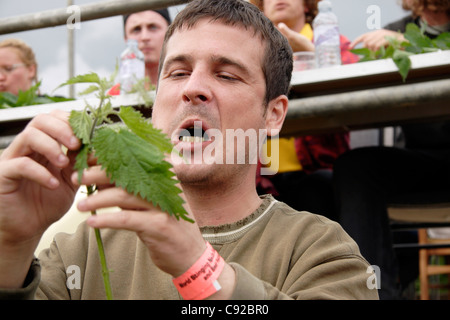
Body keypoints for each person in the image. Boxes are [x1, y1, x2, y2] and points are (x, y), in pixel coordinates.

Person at [0, 0, 378, 300]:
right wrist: (10, 244)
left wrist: (199, 269)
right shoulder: (83, 249)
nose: (192, 88)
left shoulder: (320, 251)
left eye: (226, 74)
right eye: (178, 72)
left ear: (273, 115)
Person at [333, 0, 450, 300]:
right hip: (424, 160)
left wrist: (411, 48)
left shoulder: (398, 37)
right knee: (353, 168)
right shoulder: (393, 33)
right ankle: (374, 294)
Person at [250, 0, 357, 221]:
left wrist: (310, 52)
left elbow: (357, 87)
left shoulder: (330, 41)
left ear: (307, 5)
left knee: (316, 189)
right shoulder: (250, 50)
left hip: (317, 172)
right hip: (261, 179)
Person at [108, 8, 171, 94]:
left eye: (153, 27)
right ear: (126, 39)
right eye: (136, 29)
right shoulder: (115, 96)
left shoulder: (187, 86)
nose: (144, 37)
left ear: (170, 34)